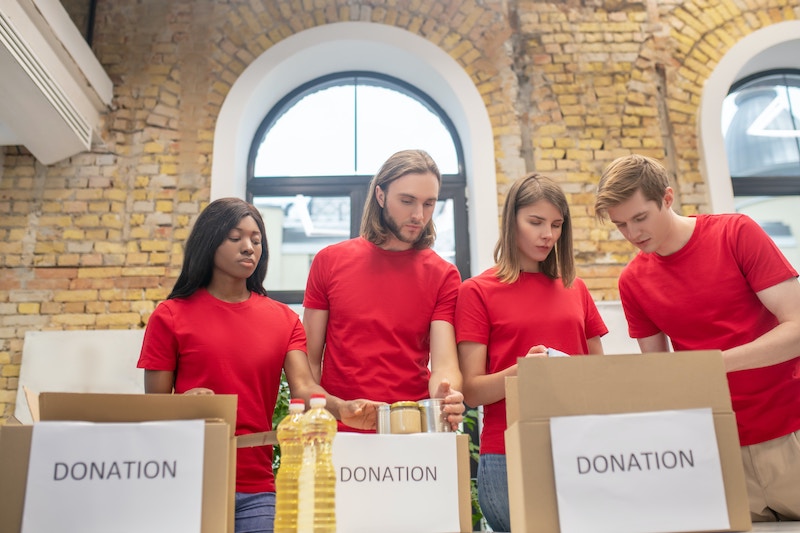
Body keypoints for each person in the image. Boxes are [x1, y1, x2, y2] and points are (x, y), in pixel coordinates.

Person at [137, 197, 378, 533]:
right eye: (235, 238)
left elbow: (306, 389)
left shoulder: (282, 319)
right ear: (209, 242)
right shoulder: (171, 316)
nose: (248, 247)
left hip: (257, 488)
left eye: (256, 239)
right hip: (188, 479)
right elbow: (152, 409)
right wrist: (186, 402)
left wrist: (342, 407)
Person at [594, 154, 800, 522]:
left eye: (640, 218)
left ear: (667, 198)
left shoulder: (736, 233)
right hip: (716, 449)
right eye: (621, 225)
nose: (633, 234)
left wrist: (713, 364)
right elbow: (661, 376)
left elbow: (797, 329)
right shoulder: (633, 282)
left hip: (791, 431)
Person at [455, 172, 607, 531]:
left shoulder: (576, 289)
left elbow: (602, 377)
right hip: (509, 454)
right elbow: (472, 390)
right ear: (512, 222)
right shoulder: (477, 291)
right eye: (535, 222)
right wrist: (523, 371)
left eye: (556, 225)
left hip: (581, 450)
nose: (547, 235)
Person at [302, 149, 465, 431]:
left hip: (412, 429)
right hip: (341, 431)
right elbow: (309, 365)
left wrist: (446, 393)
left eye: (429, 204)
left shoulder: (443, 275)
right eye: (407, 201)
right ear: (380, 196)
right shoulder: (329, 262)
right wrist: (315, 419)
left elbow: (444, 365)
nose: (418, 215)